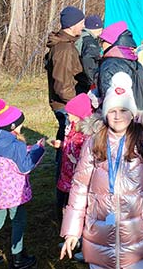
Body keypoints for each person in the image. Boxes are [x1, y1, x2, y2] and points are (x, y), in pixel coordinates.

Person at [60, 72, 143, 268]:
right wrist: (72, 231)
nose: (118, 116)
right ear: (105, 113)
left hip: (137, 237)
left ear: (132, 112)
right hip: (99, 234)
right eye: (112, 111)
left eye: (123, 110)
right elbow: (79, 188)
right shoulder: (93, 143)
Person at [0, 99, 45, 269]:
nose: (21, 128)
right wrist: (38, 149)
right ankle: (18, 258)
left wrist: (25, 150)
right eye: (20, 125)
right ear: (13, 126)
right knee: (18, 220)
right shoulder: (16, 145)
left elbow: (7, 160)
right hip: (13, 192)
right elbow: (25, 167)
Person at [45, 6, 85, 156]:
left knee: (64, 138)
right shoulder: (64, 49)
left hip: (67, 103)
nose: (83, 26)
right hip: (67, 105)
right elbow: (62, 86)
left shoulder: (67, 45)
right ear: (72, 24)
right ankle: (62, 177)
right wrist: (78, 106)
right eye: (81, 22)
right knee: (68, 147)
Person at [48, 93, 93, 221]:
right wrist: (62, 144)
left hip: (76, 176)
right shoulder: (72, 127)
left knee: (74, 206)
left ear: (80, 115)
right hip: (66, 173)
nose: (68, 116)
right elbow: (71, 145)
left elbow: (84, 156)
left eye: (71, 114)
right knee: (65, 203)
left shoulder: (85, 134)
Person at [98, 21, 143, 115]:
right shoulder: (134, 61)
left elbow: (108, 96)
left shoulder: (110, 64)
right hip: (142, 113)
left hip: (122, 117)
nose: (102, 45)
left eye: (104, 41)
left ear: (112, 42)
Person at [74, 14, 104, 94]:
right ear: (97, 28)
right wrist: (93, 80)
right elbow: (88, 59)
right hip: (84, 80)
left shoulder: (81, 36)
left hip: (78, 77)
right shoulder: (89, 41)